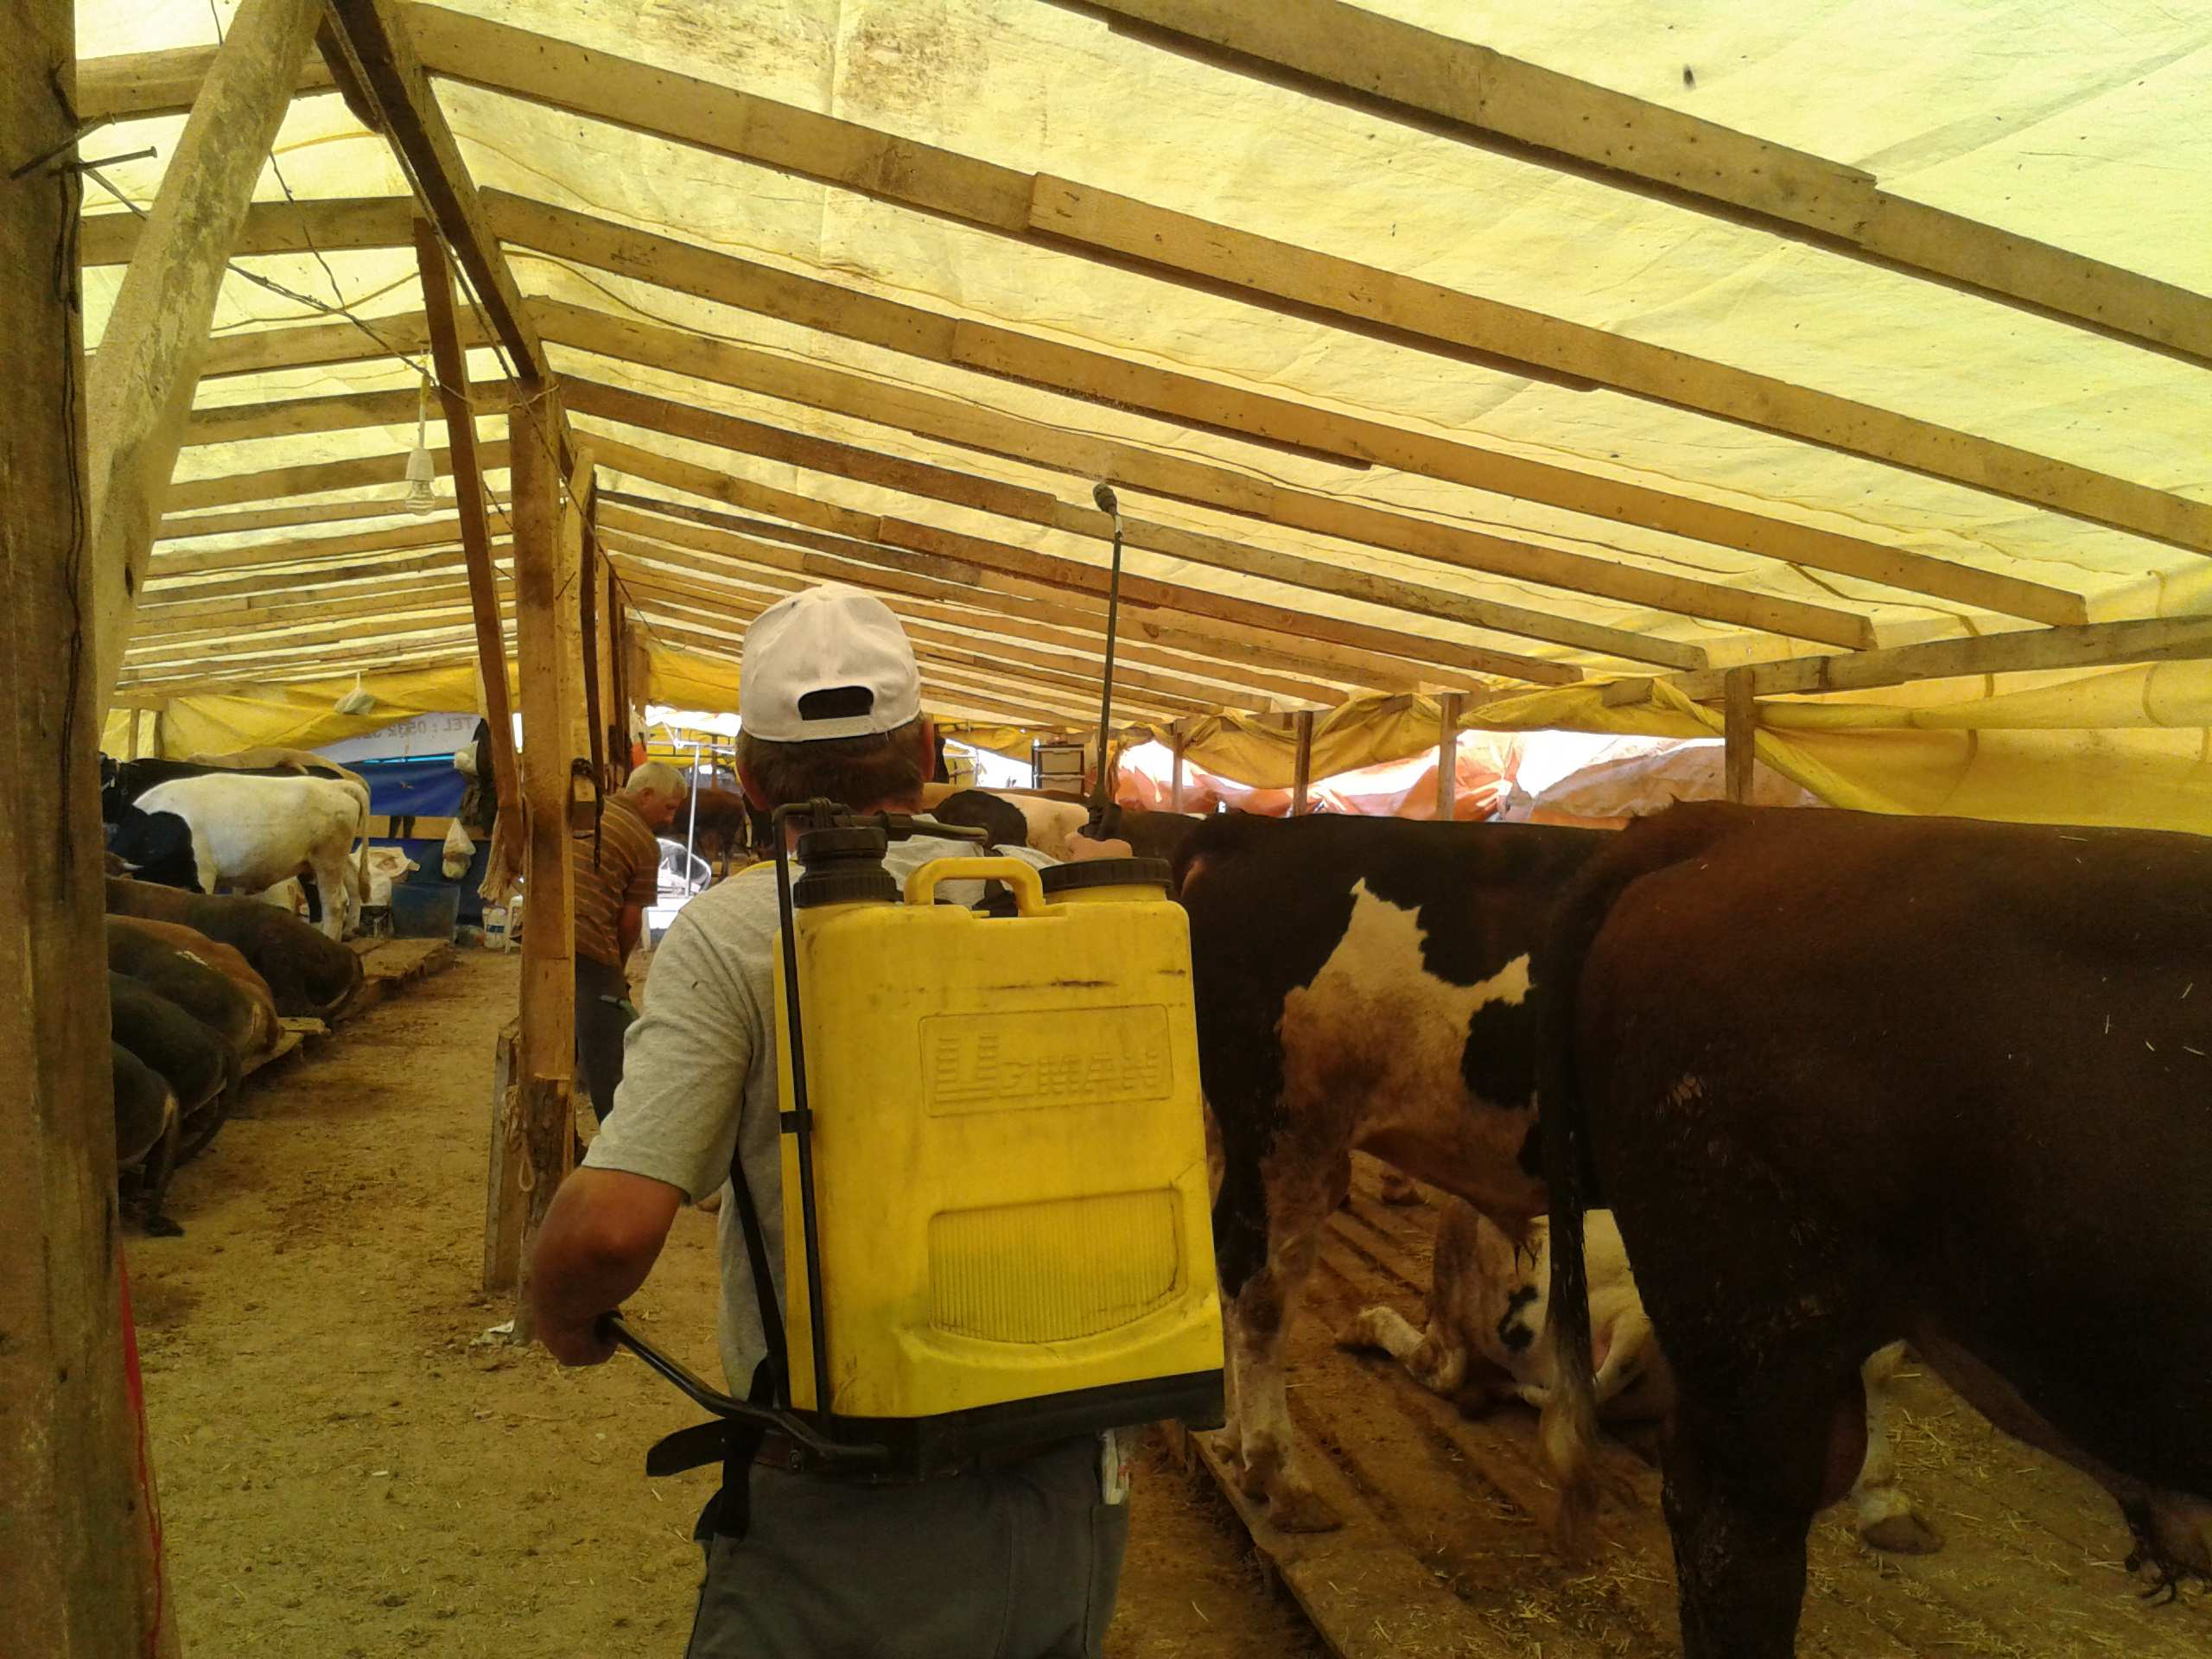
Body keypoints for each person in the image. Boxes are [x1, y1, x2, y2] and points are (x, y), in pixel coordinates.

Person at [529, 586, 1134, 1658]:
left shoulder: (733, 933)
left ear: (752, 780)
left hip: (850, 1484)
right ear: (929, 746)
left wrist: (561, 1311)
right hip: (1066, 1477)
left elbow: (612, 1229)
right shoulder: (1062, 903)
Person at [571, 760, 686, 1128]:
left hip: (548, 931)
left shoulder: (585, 810)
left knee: (575, 1014)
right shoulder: (642, 841)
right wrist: (615, 971)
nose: (670, 820)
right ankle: (616, 1136)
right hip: (589, 939)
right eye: (669, 808)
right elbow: (630, 921)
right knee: (611, 1047)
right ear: (646, 795)